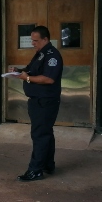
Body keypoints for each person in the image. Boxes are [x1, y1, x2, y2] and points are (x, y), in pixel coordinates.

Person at [12, 25, 63, 182]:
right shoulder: (40, 54)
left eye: (35, 40)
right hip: (37, 100)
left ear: (45, 39)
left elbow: (48, 78)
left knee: (40, 134)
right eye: (31, 40)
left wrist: (26, 78)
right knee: (45, 133)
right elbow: (32, 72)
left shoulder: (52, 55)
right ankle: (48, 165)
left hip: (45, 101)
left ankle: (36, 170)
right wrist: (19, 71)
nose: (32, 43)